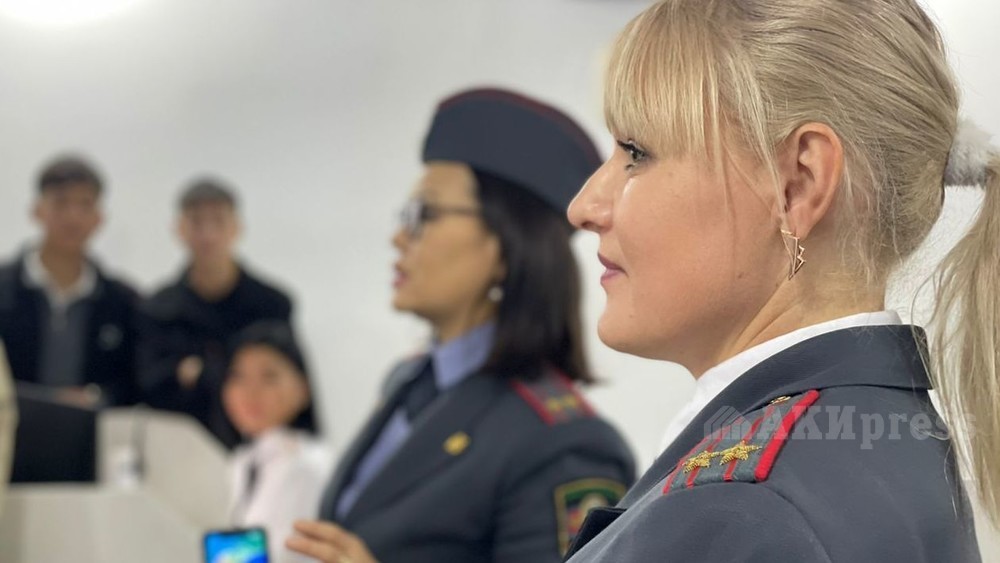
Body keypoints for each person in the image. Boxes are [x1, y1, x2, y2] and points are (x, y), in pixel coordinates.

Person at [562, 1, 995, 561]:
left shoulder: (740, 511)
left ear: (798, 185)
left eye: (636, 153)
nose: (584, 207)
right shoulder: (879, 441)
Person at [287, 88, 636, 563]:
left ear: (506, 245)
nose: (399, 237)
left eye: (424, 214)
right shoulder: (409, 385)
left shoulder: (562, 443)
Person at [138, 178, 293, 449]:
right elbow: (149, 386)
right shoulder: (156, 310)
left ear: (236, 228)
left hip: (259, 448)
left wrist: (197, 372)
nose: (208, 235)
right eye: (197, 223)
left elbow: (287, 383)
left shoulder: (272, 306)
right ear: (180, 229)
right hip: (178, 449)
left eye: (218, 222)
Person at [0, 155, 140, 408]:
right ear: (37, 211)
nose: (73, 217)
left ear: (99, 217)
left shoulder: (122, 302)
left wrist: (96, 397)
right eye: (61, 203)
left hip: (90, 430)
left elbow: (134, 380)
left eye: (85, 205)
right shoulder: (4, 287)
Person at [223, 321, 332, 563]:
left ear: (303, 388)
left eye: (269, 377)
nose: (250, 392)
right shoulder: (244, 460)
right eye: (238, 377)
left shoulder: (306, 465)